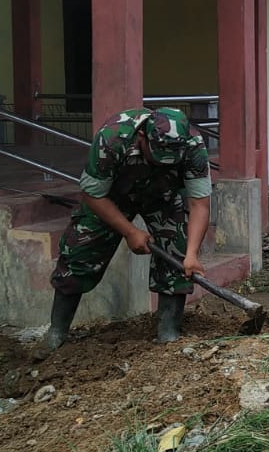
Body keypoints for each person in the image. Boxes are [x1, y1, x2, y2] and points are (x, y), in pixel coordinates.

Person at [40, 107, 211, 352]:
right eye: (157, 156)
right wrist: (130, 231)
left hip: (163, 195)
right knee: (79, 251)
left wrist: (192, 254)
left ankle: (168, 333)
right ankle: (56, 331)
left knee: (177, 254)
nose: (161, 163)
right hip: (110, 196)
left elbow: (199, 204)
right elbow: (92, 193)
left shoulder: (193, 144)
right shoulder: (113, 137)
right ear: (142, 136)